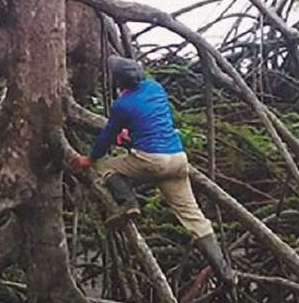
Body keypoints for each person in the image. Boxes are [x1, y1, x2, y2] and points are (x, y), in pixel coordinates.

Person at [70, 56, 236, 287]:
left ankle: (128, 203)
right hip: (177, 160)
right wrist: (131, 136)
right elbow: (149, 120)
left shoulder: (121, 105)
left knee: (104, 166)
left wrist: (88, 159)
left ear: (118, 82)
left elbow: (106, 138)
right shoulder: (155, 88)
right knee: (193, 216)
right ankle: (225, 271)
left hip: (152, 161)